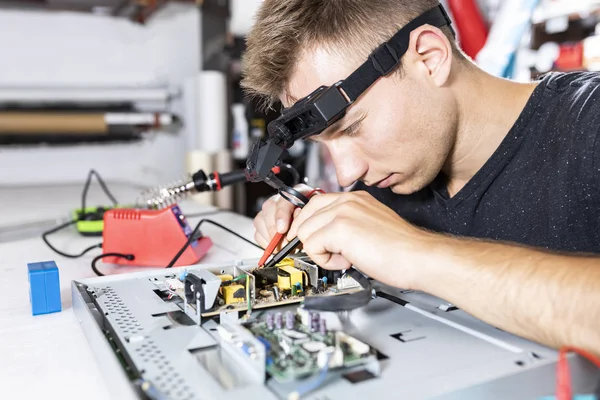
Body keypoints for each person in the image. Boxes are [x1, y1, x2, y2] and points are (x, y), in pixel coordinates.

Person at [241, 0, 600, 355]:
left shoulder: (589, 122)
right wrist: (314, 214)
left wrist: (415, 253)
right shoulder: (387, 183)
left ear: (429, 58)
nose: (348, 173)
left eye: (352, 127)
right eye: (324, 144)